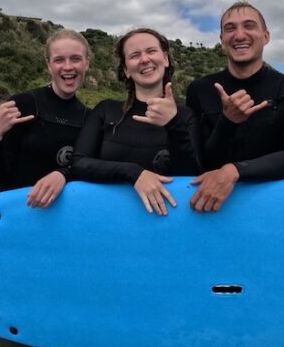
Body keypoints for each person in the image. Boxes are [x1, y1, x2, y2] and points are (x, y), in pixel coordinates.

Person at [185, 1, 284, 212]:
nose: (239, 35)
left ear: (266, 36)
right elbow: (199, 163)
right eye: (230, 29)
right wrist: (227, 122)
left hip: (274, 209)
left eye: (249, 26)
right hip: (213, 210)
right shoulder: (199, 90)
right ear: (222, 40)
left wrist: (235, 171)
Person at [72, 28, 200, 215]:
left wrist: (173, 123)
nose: (145, 59)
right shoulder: (106, 110)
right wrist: (133, 173)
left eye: (151, 51)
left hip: (165, 219)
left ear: (165, 59)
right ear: (126, 69)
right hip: (107, 216)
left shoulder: (185, 116)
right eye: (134, 55)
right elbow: (79, 164)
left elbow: (191, 175)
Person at [0, 28, 90, 208]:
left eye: (75, 59)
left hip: (59, 214)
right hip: (16, 209)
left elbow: (88, 168)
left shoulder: (89, 118)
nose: (68, 67)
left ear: (86, 63)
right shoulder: (23, 104)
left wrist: (63, 174)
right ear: (49, 65)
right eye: (59, 60)